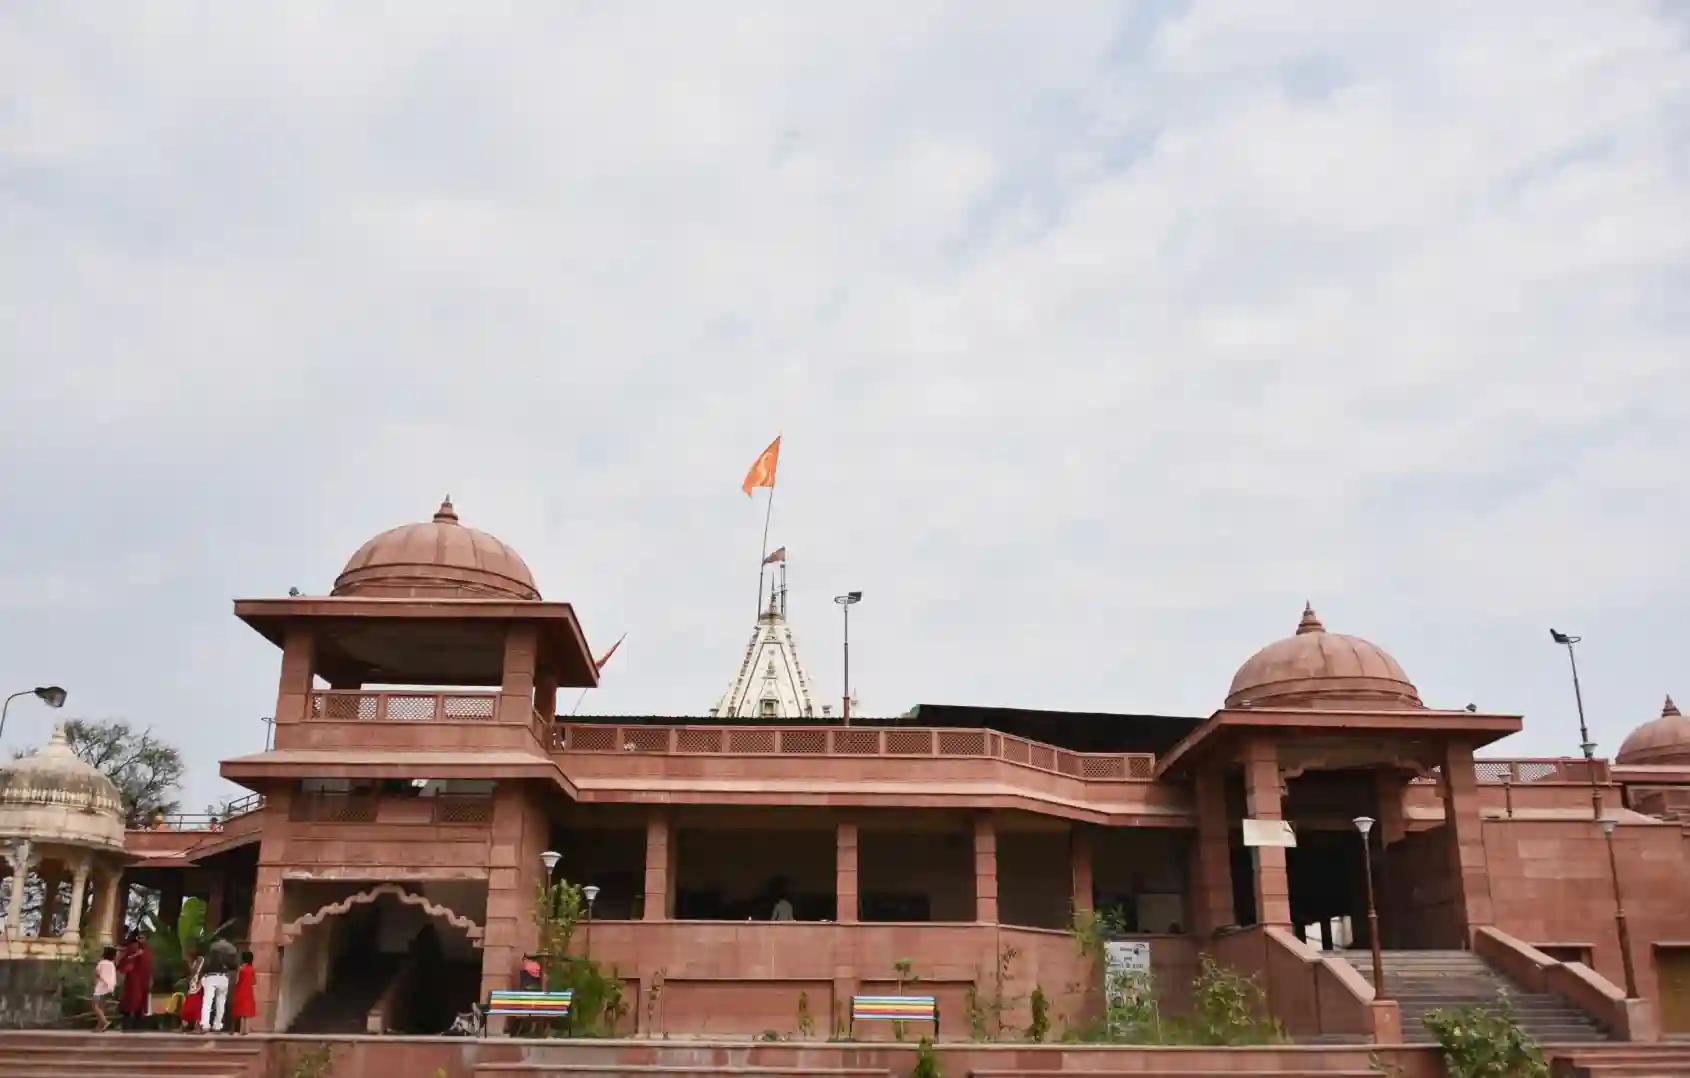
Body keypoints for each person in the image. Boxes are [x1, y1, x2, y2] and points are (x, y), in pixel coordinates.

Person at [200, 936, 238, 1033]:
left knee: (207, 1002)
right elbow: (234, 966)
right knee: (221, 1002)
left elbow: (205, 966)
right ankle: (217, 1025)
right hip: (224, 977)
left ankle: (205, 1024)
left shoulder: (211, 952)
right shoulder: (228, 954)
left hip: (211, 977)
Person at [116, 931, 153, 1030]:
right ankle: (126, 1026)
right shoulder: (132, 948)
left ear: (146, 939)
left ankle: (138, 1026)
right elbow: (122, 962)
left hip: (143, 981)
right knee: (130, 1002)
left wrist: (150, 980)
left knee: (141, 1004)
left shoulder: (149, 951)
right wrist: (135, 955)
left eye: (142, 938)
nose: (140, 940)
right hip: (132, 981)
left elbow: (150, 967)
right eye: (139, 938)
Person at [91, 946, 118, 1031]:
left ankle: (105, 1022)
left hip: (101, 987)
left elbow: (97, 973)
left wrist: (96, 981)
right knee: (101, 1007)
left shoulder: (102, 963)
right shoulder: (112, 964)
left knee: (95, 1006)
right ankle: (99, 1027)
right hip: (109, 987)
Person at [229, 950, 256, 1033]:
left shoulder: (241, 969)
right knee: (246, 1011)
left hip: (240, 990)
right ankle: (246, 1030)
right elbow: (254, 981)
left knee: (239, 1010)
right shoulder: (252, 969)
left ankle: (238, 1029)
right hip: (248, 991)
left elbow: (237, 980)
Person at [179, 950, 205, 1031]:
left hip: (198, 986)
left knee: (196, 1006)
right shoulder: (193, 963)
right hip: (192, 987)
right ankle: (185, 1024)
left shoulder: (200, 960)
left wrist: (189, 964)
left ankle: (197, 1025)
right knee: (187, 1008)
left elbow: (195, 972)